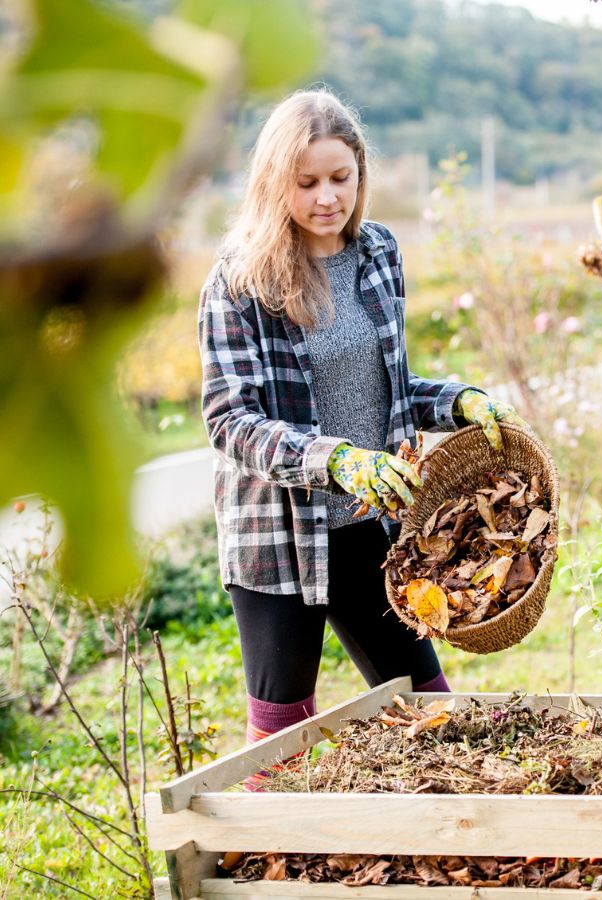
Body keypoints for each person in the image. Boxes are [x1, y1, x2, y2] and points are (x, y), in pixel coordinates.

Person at [197, 88, 528, 761]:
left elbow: (386, 386)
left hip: (369, 528)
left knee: (430, 710)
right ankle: (267, 856)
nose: (328, 198)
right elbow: (230, 420)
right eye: (307, 182)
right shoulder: (238, 284)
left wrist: (457, 401)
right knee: (282, 737)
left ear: (361, 174)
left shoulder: (376, 253)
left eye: (341, 178)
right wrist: (339, 460)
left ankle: (441, 839)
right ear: (273, 183)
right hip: (281, 542)